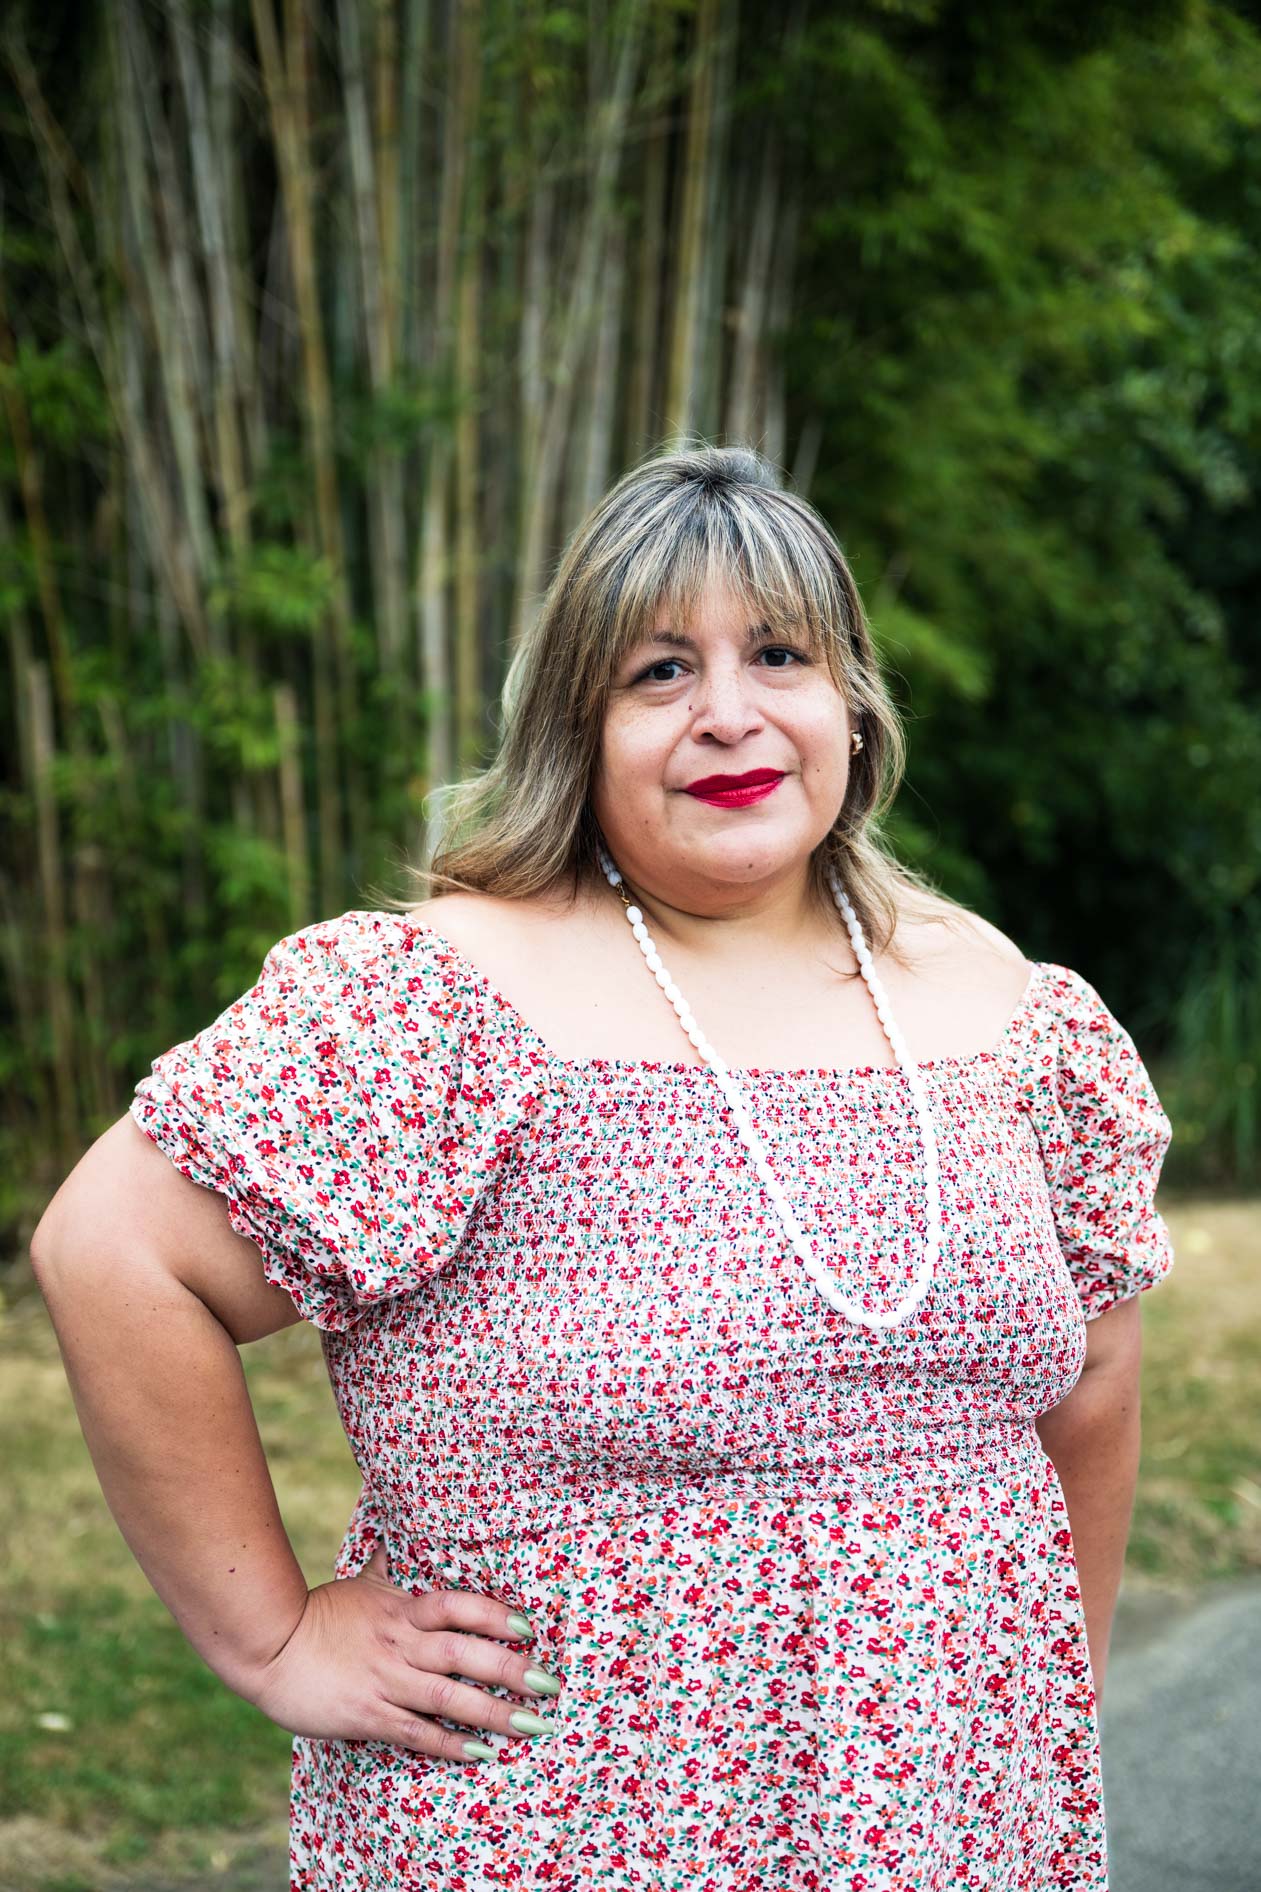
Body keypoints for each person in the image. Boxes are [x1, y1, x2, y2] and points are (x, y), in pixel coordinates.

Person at [31, 442, 1176, 1891]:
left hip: (954, 1821)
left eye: (777, 653)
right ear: (578, 723)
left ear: (850, 703)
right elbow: (115, 1255)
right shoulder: (438, 1001)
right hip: (564, 1822)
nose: (727, 714)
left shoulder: (1011, 1011)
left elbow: (1094, 1381)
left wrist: (1035, 1714)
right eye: (657, 673)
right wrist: (269, 1634)